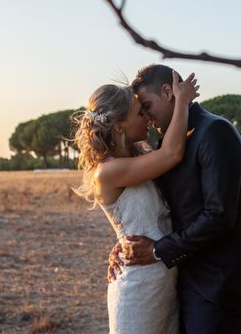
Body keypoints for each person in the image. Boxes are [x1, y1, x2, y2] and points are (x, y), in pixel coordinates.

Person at [110, 64, 241, 334]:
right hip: (184, 276)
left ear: (168, 92)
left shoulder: (215, 131)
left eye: (147, 105)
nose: (146, 116)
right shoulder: (170, 140)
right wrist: (125, 244)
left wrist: (157, 250)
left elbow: (219, 216)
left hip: (220, 282)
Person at [72, 71, 200, 334]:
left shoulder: (139, 158)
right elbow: (173, 153)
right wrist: (182, 102)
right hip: (138, 287)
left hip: (165, 281)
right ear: (119, 126)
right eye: (140, 113)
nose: (148, 117)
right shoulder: (107, 172)